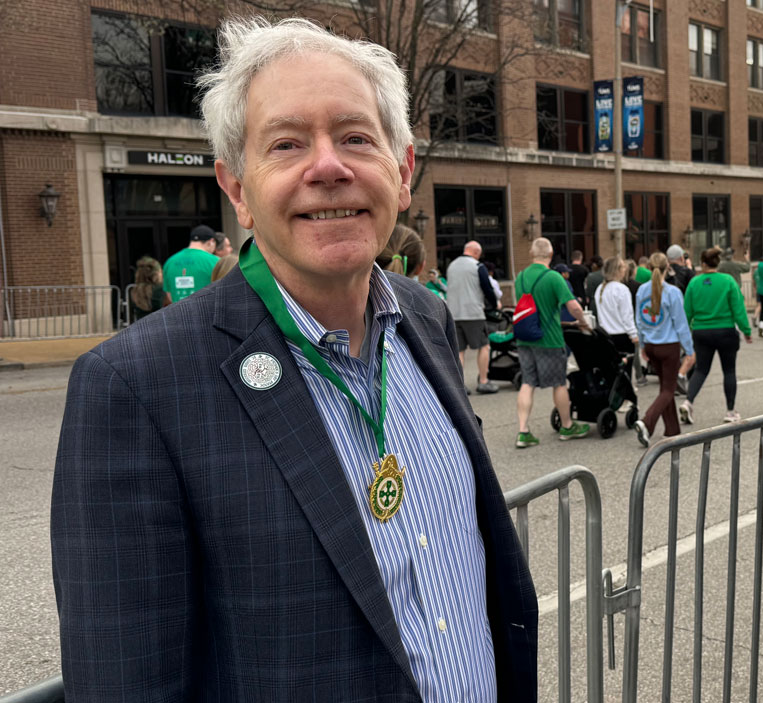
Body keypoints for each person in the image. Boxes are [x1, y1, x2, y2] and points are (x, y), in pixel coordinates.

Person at [52, 17, 537, 702]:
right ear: (239, 189)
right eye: (286, 143)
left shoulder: (424, 320)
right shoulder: (132, 389)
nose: (328, 165)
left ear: (400, 173)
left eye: (355, 137)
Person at [514, 237, 592, 448]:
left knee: (527, 383)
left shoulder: (520, 276)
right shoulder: (553, 278)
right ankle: (567, 426)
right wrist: (583, 322)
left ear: (531, 254)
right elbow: (574, 306)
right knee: (559, 383)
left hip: (525, 338)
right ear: (550, 255)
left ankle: (523, 431)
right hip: (549, 340)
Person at [681, 248, 753, 424]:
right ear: (717, 263)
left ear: (703, 264)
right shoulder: (727, 281)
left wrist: (686, 332)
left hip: (701, 331)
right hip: (725, 330)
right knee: (729, 371)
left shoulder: (694, 283)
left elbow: (687, 311)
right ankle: (730, 411)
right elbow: (738, 308)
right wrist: (746, 330)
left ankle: (688, 401)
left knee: (700, 370)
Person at [634, 252, 694, 446]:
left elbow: (639, 321)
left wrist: (642, 345)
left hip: (651, 345)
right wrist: (690, 349)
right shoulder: (673, 292)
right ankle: (647, 422)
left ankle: (672, 429)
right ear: (667, 267)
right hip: (669, 346)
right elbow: (681, 323)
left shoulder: (641, 291)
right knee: (669, 389)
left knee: (664, 387)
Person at [446, 240, 500, 394]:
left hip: (454, 313)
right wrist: (495, 304)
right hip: (474, 313)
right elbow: (487, 289)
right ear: (476, 252)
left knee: (459, 350)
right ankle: (483, 381)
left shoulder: (452, 266)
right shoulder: (478, 267)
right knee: (484, 346)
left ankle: (460, 385)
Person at [162, 223, 220, 303]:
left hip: (179, 313)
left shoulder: (169, 262)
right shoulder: (216, 261)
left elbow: (169, 295)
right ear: (211, 241)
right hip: (207, 313)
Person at [594, 256, 639, 357]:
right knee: (624, 371)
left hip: (605, 336)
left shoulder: (600, 288)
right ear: (617, 270)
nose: (625, 269)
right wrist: (634, 334)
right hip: (621, 337)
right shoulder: (621, 289)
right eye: (623, 267)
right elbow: (627, 316)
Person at [128, 255, 169, 322]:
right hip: (159, 325)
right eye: (160, 272)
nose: (162, 274)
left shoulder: (134, 291)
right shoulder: (160, 290)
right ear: (155, 274)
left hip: (141, 327)